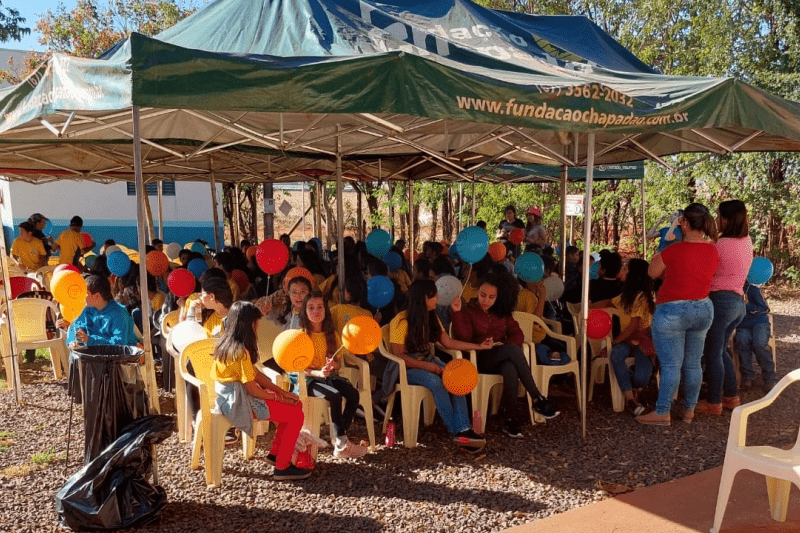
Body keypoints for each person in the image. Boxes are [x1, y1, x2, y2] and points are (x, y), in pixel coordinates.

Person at [636, 203, 718, 426]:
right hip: (702, 307)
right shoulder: (712, 249)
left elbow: (652, 272)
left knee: (671, 365)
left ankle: (663, 411)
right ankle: (689, 410)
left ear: (685, 223)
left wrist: (668, 239)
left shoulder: (673, 249)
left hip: (672, 308)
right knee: (692, 364)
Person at [451, 271, 559, 438]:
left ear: (497, 297)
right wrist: (457, 313)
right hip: (478, 357)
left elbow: (518, 335)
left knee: (510, 367)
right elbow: (463, 336)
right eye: (483, 295)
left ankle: (511, 420)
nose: (486, 300)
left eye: (491, 297)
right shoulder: (468, 310)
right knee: (512, 351)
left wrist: (501, 345)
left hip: (500, 355)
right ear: (478, 292)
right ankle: (537, 398)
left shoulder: (502, 312)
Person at [211, 301, 310, 480]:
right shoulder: (240, 351)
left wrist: (281, 392)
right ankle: (282, 467)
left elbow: (255, 374)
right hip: (238, 402)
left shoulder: (225, 345)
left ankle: (276, 454)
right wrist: (279, 398)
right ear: (251, 324)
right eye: (257, 322)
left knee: (296, 406)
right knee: (296, 415)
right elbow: (254, 391)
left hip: (232, 398)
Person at [385, 280, 488, 449]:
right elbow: (400, 356)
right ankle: (456, 432)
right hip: (407, 368)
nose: (438, 298)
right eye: (434, 295)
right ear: (424, 298)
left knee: (456, 377)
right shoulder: (401, 321)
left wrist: (478, 347)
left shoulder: (432, 316)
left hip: (427, 360)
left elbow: (448, 343)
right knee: (437, 382)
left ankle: (464, 428)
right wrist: (428, 367)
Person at [695, 200, 752, 415]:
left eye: (719, 216)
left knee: (712, 353)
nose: (717, 220)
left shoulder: (718, 246)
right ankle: (731, 396)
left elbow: (703, 271)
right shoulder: (747, 241)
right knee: (720, 351)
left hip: (721, 301)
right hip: (738, 302)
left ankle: (713, 402)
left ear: (726, 219)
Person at [298, 291, 368, 458]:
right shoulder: (301, 335)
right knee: (335, 396)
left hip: (329, 377)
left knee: (353, 394)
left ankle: (339, 437)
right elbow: (300, 368)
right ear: (305, 311)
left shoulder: (332, 334)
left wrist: (332, 365)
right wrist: (318, 372)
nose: (316, 311)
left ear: (326, 310)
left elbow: (337, 363)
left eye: (320, 307)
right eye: (311, 308)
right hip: (309, 381)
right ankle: (342, 443)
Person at [590, 258, 655, 415]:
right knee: (617, 355)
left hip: (642, 341)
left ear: (634, 274)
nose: (622, 271)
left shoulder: (642, 297)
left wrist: (613, 342)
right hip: (627, 340)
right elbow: (608, 303)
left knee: (641, 378)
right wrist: (587, 307)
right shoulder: (625, 296)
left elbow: (633, 327)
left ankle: (635, 382)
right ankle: (630, 399)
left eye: (626, 268)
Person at [67, 274, 138, 348]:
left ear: (97, 296)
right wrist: (73, 341)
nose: (83, 297)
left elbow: (119, 344)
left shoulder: (119, 314)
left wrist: (90, 340)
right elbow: (75, 327)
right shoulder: (88, 310)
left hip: (120, 358)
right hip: (96, 356)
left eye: (86, 294)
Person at [735, 281, 777, 393]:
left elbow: (764, 309)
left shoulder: (752, 289)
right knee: (741, 341)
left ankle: (769, 378)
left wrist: (747, 304)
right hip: (743, 325)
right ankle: (747, 376)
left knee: (759, 344)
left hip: (759, 322)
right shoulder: (732, 290)